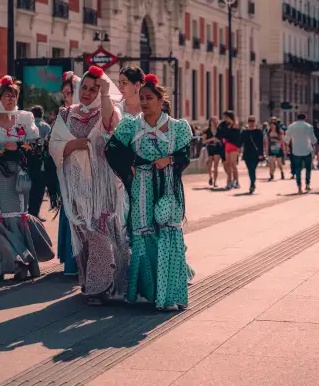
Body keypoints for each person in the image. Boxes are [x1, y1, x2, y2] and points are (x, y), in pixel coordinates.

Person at [106, 74, 193, 311]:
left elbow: (186, 155)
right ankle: (150, 292)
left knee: (168, 232)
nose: (144, 102)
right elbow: (111, 149)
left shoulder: (177, 127)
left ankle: (170, 294)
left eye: (149, 98)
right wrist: (130, 164)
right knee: (143, 234)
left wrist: (170, 159)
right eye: (142, 98)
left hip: (167, 187)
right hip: (141, 186)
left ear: (160, 99)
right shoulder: (131, 125)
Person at [50, 65, 128, 305]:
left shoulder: (108, 110)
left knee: (100, 232)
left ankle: (98, 287)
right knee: (84, 233)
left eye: (94, 89)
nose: (87, 92)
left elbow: (109, 127)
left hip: (102, 184)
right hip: (76, 184)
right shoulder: (66, 114)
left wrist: (104, 93)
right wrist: (75, 145)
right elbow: (54, 145)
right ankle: (92, 282)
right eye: (84, 87)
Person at [0, 76, 42, 282]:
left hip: (18, 175)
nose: (10, 99)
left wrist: (19, 146)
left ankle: (23, 262)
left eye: (14, 95)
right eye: (6, 95)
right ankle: (5, 263)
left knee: (18, 215)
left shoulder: (25, 119)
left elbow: (37, 145)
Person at [54, 71, 82, 276]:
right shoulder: (63, 114)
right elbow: (55, 144)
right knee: (71, 214)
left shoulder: (87, 114)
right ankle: (71, 262)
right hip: (67, 170)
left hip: (86, 172)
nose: (65, 96)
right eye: (63, 93)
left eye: (68, 92)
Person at [27, 106, 52, 219]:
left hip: (28, 162)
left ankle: (27, 212)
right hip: (42, 164)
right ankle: (35, 213)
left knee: (29, 187)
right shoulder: (46, 127)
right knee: (39, 189)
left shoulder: (28, 126)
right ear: (41, 114)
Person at [285, 113, 317, 194]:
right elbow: (313, 140)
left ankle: (299, 187)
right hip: (307, 150)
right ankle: (307, 184)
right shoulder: (308, 126)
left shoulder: (291, 126)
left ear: (297, 118)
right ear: (305, 118)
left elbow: (286, 139)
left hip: (296, 151)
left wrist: (287, 148)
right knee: (308, 169)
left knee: (298, 169)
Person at [217, 110, 241, 189]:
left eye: (226, 117)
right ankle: (229, 182)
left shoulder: (236, 125)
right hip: (227, 145)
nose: (225, 118)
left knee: (233, 164)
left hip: (234, 146)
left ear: (229, 117)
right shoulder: (226, 125)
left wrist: (239, 147)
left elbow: (238, 137)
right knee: (228, 164)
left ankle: (237, 182)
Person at [241, 116, 264, 193]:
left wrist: (261, 153)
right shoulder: (244, 132)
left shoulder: (258, 131)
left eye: (253, 121)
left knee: (252, 169)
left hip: (256, 153)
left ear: (255, 122)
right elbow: (241, 142)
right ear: (248, 122)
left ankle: (252, 184)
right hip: (247, 153)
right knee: (250, 169)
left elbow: (261, 143)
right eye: (250, 121)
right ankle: (252, 183)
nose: (251, 122)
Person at [202, 116, 222, 187]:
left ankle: (215, 182)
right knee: (209, 164)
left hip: (217, 148)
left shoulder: (220, 130)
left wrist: (218, 140)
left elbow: (222, 140)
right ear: (210, 122)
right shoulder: (206, 131)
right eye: (212, 121)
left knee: (216, 166)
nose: (214, 122)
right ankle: (210, 177)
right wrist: (211, 139)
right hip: (209, 148)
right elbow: (203, 141)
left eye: (215, 121)